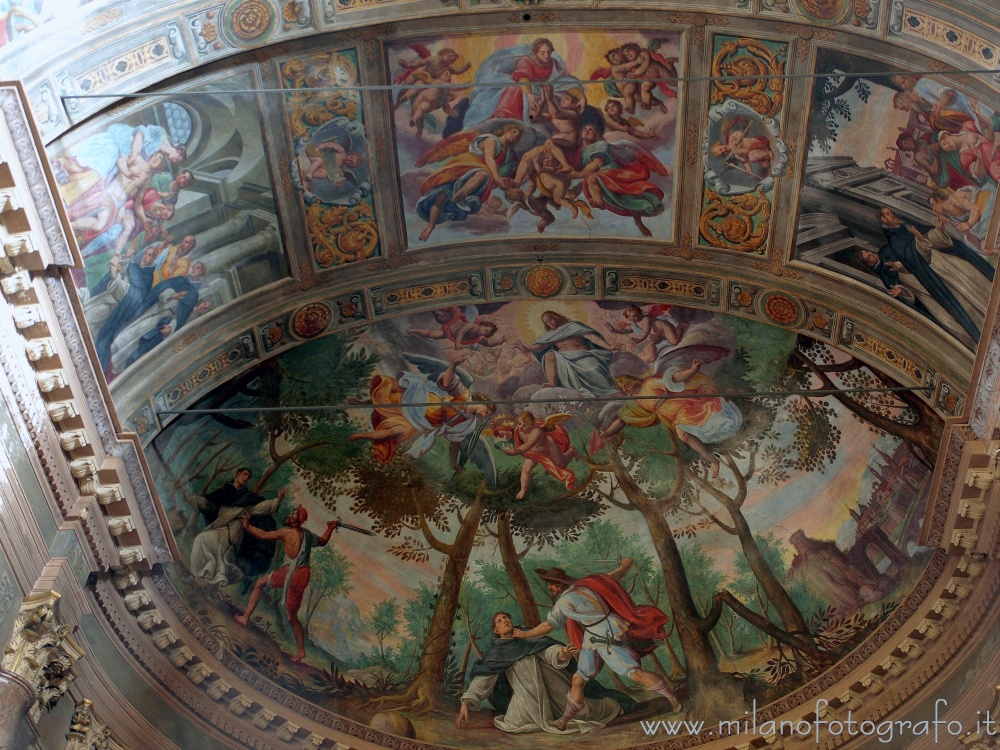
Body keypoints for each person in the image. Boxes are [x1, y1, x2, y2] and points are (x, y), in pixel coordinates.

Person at [513, 560, 682, 729]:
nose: (550, 588)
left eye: (551, 584)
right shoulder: (587, 585)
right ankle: (564, 721)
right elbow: (611, 578)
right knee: (578, 678)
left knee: (634, 674)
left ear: (558, 585)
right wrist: (625, 567)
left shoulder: (564, 603)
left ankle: (672, 698)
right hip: (597, 634)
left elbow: (548, 626)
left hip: (605, 635)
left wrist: (525, 634)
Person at [458, 612, 631, 734]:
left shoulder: (527, 636)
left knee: (582, 713)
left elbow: (546, 650)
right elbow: (484, 678)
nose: (504, 621)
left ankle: (614, 707)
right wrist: (466, 702)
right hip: (525, 695)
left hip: (550, 687)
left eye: (505, 618)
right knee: (518, 722)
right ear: (496, 630)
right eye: (499, 621)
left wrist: (562, 653)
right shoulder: (496, 653)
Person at [349, 354, 496, 472]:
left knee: (395, 431)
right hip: (424, 403)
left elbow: (455, 445)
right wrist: (452, 366)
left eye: (487, 415)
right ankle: (361, 403)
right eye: (487, 411)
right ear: (483, 402)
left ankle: (361, 436)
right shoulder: (464, 395)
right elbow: (447, 382)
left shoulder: (468, 424)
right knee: (392, 396)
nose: (485, 414)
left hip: (422, 423)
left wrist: (454, 464)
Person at [235, 505, 342, 663]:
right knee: (292, 617)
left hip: (290, 573)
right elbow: (323, 541)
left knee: (259, 583)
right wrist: (331, 527)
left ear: (296, 520)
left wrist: (248, 526)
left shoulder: (286, 532)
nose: (290, 515)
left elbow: (263, 535)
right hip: (302, 574)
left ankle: (245, 617)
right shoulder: (308, 535)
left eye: (293, 514)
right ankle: (301, 652)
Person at [599, 360, 743, 477]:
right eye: (622, 388)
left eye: (626, 384)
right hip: (676, 415)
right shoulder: (636, 402)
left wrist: (692, 371)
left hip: (685, 403)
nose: (625, 388)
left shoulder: (649, 383)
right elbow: (622, 419)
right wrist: (606, 433)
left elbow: (673, 378)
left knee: (712, 412)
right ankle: (713, 460)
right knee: (684, 435)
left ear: (632, 380)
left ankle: (728, 395)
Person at [415, 123, 522, 242]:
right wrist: (497, 178)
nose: (516, 136)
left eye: (518, 136)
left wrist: (502, 182)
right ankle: (431, 225)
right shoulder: (491, 140)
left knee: (443, 196)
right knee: (480, 175)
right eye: (514, 131)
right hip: (466, 164)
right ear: (505, 130)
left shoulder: (504, 154)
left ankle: (458, 197)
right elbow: (489, 159)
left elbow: (494, 172)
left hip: (475, 176)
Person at [187, 470, 287, 587]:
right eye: (245, 474)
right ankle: (196, 575)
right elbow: (209, 505)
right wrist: (192, 500)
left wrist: (278, 500)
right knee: (200, 540)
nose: (246, 478)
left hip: (233, 532)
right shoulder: (223, 492)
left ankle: (206, 581)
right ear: (237, 474)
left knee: (219, 552)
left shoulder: (247, 498)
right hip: (220, 526)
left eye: (248, 477)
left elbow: (261, 508)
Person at [568, 121, 668, 237]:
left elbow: (598, 163)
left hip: (611, 172)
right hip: (595, 176)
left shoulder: (600, 144)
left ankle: (638, 223)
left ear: (596, 136)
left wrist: (577, 174)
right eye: (585, 128)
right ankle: (599, 201)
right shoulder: (578, 152)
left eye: (591, 130)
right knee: (591, 179)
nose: (587, 131)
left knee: (628, 195)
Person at [514, 310, 618, 397]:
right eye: (546, 322)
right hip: (563, 359)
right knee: (549, 355)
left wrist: (608, 346)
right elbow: (542, 345)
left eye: (550, 319)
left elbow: (591, 336)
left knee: (593, 367)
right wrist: (527, 349)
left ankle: (607, 391)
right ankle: (552, 383)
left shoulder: (573, 326)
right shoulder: (550, 334)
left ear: (556, 317)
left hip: (583, 356)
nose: (549, 323)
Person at [503, 411, 578, 499]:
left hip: (549, 448)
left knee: (561, 465)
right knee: (526, 468)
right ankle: (523, 489)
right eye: (519, 423)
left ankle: (572, 452)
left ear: (532, 424)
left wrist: (515, 452)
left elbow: (528, 445)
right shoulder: (518, 430)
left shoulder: (537, 431)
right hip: (534, 453)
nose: (520, 427)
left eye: (524, 425)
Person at [606, 304, 682, 363]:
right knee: (650, 341)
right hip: (656, 334)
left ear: (639, 314)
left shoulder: (645, 319)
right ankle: (653, 357)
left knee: (674, 342)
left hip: (664, 328)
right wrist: (613, 330)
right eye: (629, 316)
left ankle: (680, 327)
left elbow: (646, 331)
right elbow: (625, 330)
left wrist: (637, 340)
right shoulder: (634, 324)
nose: (632, 318)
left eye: (634, 316)